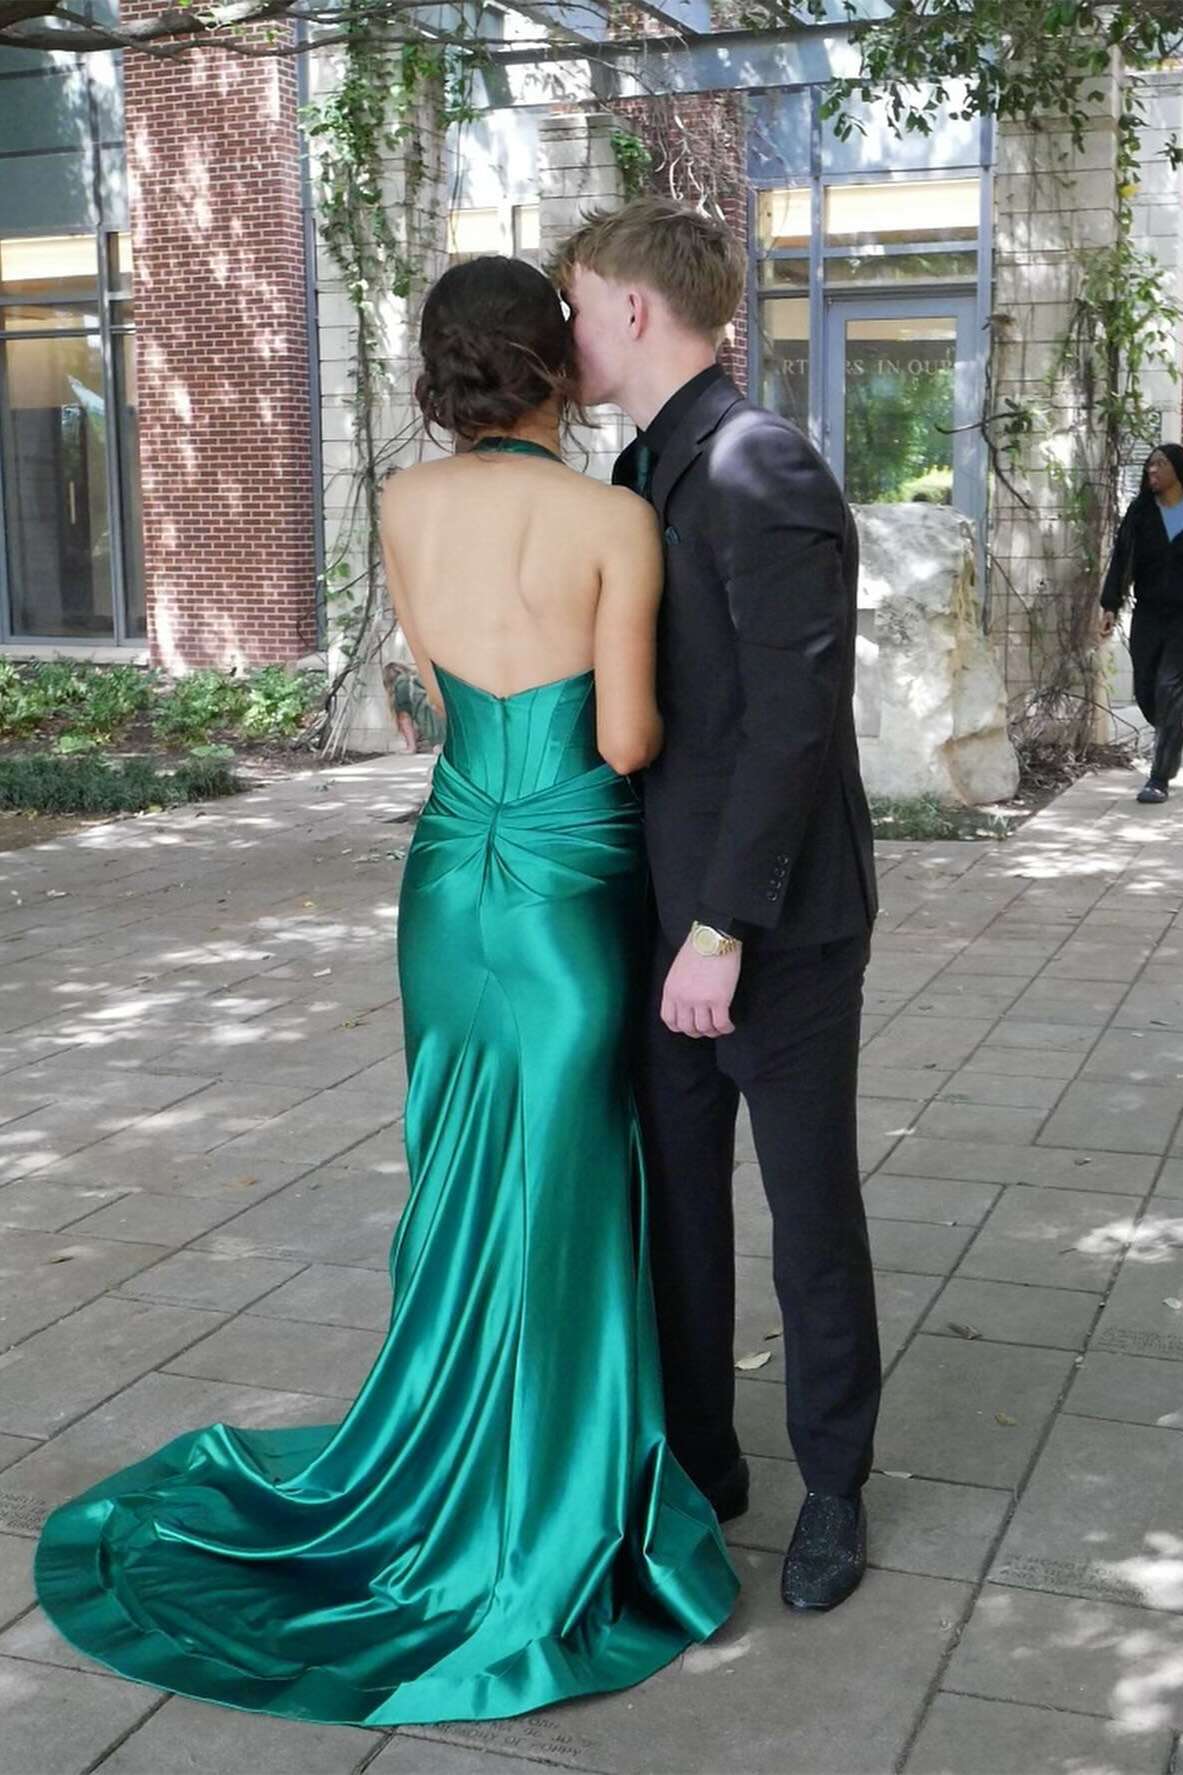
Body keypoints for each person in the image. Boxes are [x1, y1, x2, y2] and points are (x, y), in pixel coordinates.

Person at [33, 255, 737, 1727]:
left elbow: (430, 690)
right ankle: (540, 1493)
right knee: (556, 1182)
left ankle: (446, 1445)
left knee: (456, 1167)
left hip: (445, 880)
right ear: (553, 363)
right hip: (561, 887)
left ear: (436, 374)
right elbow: (621, 741)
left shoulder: (404, 507)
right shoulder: (611, 517)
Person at [554, 197, 880, 1614]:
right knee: (676, 1207)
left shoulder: (760, 465)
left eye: (574, 303)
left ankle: (834, 1489)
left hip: (773, 927)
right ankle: (701, 1464)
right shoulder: (646, 462)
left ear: (632, 307)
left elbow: (793, 724)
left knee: (807, 1219)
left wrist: (719, 928)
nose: (566, 330)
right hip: (667, 917)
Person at [1099, 442, 1183, 804]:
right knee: (1148, 692)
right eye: (1149, 466)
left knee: (1169, 687)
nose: (1151, 471)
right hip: (1148, 614)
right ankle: (1174, 734)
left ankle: (1158, 778)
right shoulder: (1140, 512)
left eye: (1159, 465)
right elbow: (1121, 558)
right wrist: (1109, 605)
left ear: (1177, 470)